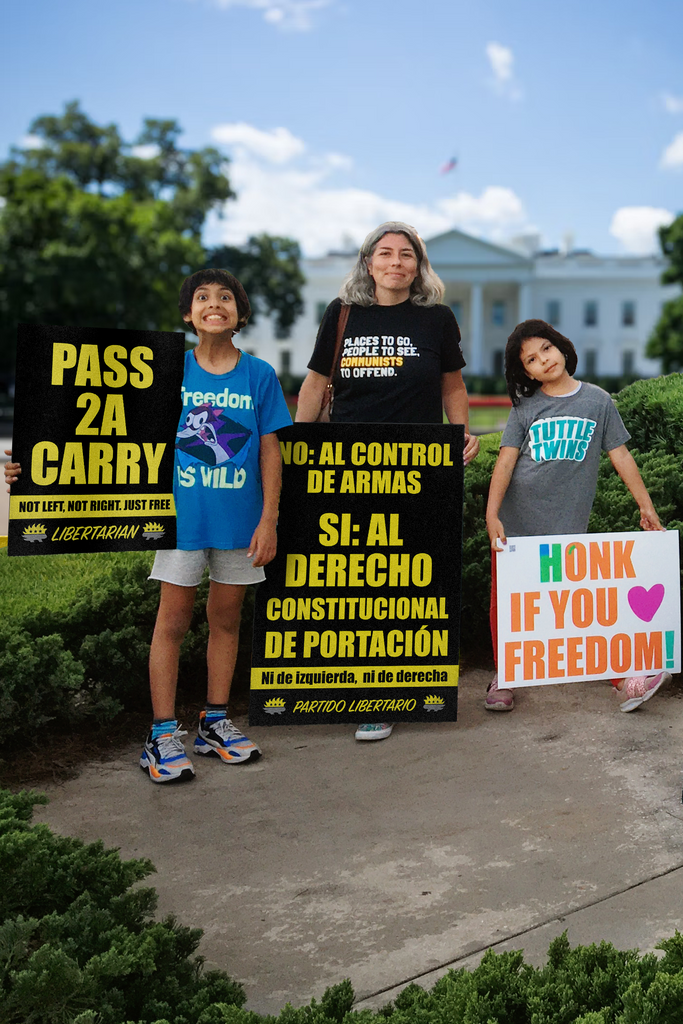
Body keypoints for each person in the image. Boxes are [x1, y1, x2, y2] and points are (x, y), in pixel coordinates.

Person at [5, 269, 292, 783]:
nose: (214, 303)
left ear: (240, 315)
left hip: (240, 523)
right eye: (202, 297)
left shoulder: (259, 376)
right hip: (177, 521)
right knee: (173, 621)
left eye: (226, 297)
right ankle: (162, 733)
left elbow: (271, 449)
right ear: (187, 315)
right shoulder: (164, 371)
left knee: (226, 620)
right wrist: (29, 464)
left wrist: (269, 518)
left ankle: (215, 720)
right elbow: (97, 427)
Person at [296, 221, 479, 742]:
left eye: (407, 255)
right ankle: (348, 683)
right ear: (368, 262)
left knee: (403, 578)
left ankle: (385, 694)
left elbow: (453, 385)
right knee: (354, 577)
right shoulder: (343, 313)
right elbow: (315, 380)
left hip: (414, 466)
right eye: (386, 253)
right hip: (347, 464)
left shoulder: (437, 319)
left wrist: (460, 435)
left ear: (419, 266)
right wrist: (299, 442)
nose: (396, 262)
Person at [485, 318, 671, 713]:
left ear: (561, 347)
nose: (544, 361)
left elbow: (621, 456)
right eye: (531, 360)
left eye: (546, 349)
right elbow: (505, 462)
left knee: (581, 610)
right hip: (518, 523)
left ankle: (626, 681)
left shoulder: (598, 401)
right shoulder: (527, 407)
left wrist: (646, 506)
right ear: (526, 372)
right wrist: (492, 513)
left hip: (567, 525)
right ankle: (505, 674)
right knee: (508, 604)